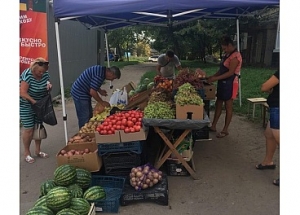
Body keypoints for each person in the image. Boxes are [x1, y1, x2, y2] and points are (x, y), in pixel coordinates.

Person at [207, 36, 242, 138]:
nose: (224, 50)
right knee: (218, 103)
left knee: (228, 106)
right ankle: (213, 126)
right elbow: (222, 70)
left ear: (230, 45)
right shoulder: (227, 55)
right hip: (223, 82)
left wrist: (215, 78)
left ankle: (225, 129)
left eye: (225, 48)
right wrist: (213, 76)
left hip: (231, 83)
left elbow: (230, 73)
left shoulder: (235, 57)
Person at [20, 57, 52, 164]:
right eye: (39, 72)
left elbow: (47, 84)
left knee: (38, 126)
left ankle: (38, 150)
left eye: (43, 72)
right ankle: (27, 153)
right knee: (29, 128)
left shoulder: (45, 74)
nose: (41, 74)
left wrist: (49, 87)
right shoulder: (28, 75)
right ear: (34, 68)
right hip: (26, 104)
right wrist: (33, 102)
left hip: (40, 104)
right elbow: (22, 92)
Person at [255, 70, 279, 186]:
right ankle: (268, 161)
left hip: (279, 108)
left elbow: (265, 87)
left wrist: (270, 88)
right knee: (269, 135)